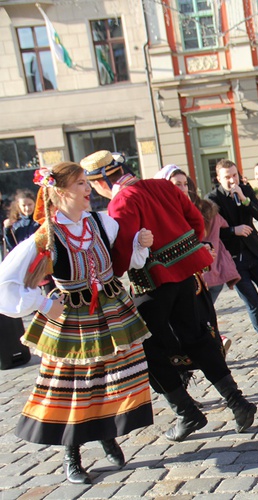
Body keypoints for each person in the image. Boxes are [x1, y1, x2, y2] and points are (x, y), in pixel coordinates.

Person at [83, 150, 258, 443]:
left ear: (102, 181)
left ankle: (186, 412)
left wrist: (109, 270)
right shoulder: (161, 185)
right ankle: (237, 402)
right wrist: (183, 247)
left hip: (154, 282)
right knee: (197, 337)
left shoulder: (123, 200)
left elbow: (124, 250)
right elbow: (195, 220)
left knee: (144, 347)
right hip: (186, 275)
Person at [0, 162, 153, 484]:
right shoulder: (45, 235)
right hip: (72, 320)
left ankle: (106, 432)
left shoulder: (103, 222)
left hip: (111, 313)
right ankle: (72, 454)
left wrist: (139, 244)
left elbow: (124, 259)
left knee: (107, 378)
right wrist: (41, 303)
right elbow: (7, 281)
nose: (88, 189)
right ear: (60, 191)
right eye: (82, 183)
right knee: (73, 387)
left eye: (87, 182)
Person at [154, 165, 239, 354]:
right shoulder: (159, 211)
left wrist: (204, 250)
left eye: (185, 184)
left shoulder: (194, 208)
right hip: (171, 279)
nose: (183, 189)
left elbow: (204, 237)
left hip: (200, 275)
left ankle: (214, 345)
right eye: (177, 184)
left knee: (200, 317)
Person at [208, 159, 258, 348]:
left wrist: (245, 198)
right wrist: (233, 230)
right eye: (227, 177)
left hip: (254, 252)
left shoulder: (245, 190)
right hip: (233, 258)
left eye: (235, 175)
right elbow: (213, 231)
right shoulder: (213, 199)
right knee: (251, 299)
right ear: (218, 178)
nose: (232, 180)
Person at [3, 190, 39, 254]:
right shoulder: (15, 224)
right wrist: (7, 230)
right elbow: (13, 247)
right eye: (24, 205)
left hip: (38, 256)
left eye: (30, 204)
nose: (27, 208)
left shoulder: (40, 221)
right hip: (23, 257)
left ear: (35, 204)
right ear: (18, 206)